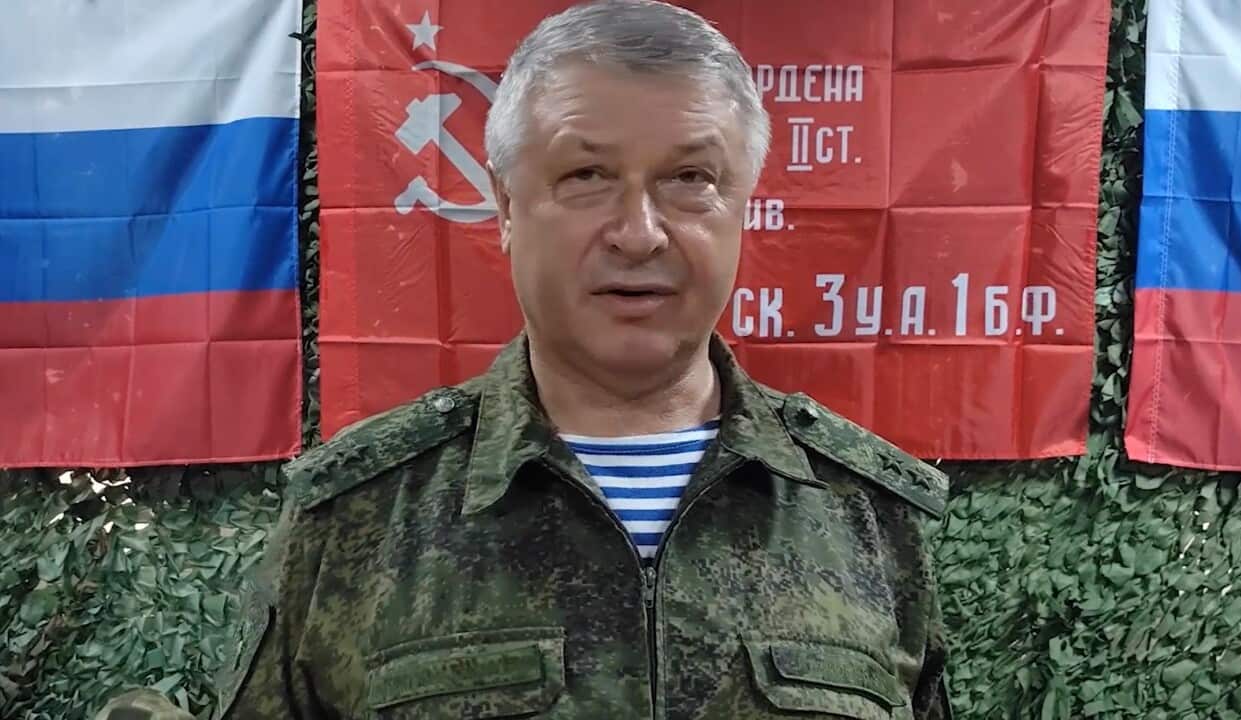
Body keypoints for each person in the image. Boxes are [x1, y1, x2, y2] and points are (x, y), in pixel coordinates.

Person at [97, 1, 952, 718]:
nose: (640, 232)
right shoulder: (353, 520)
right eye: (586, 176)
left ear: (742, 205)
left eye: (690, 178)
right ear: (506, 206)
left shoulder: (873, 521)